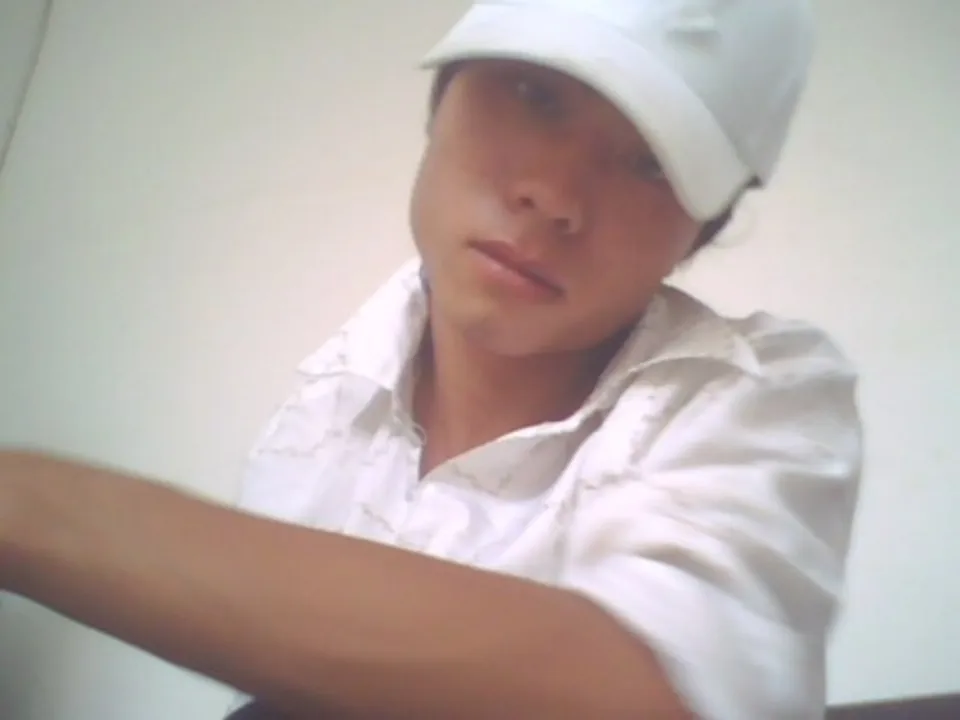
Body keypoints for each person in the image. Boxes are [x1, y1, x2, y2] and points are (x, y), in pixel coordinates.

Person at [0, 1, 862, 718]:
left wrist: (28, 505)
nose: (555, 197)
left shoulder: (755, 394)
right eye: (536, 96)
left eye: (651, 164)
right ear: (438, 103)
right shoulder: (333, 395)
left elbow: (651, 694)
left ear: (697, 233)